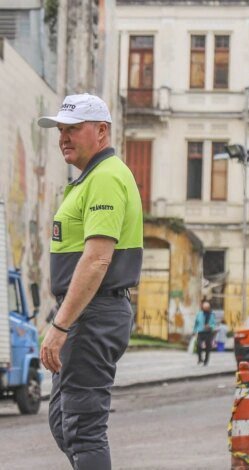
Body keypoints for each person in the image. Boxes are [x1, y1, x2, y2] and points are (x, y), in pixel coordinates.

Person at [38, 93, 143, 469]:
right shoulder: (90, 179)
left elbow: (98, 258)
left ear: (101, 131)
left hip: (93, 311)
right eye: (61, 130)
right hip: (86, 312)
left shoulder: (106, 178)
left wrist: (61, 324)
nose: (64, 137)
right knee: (63, 422)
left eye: (74, 129)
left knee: (83, 428)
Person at [193, 301, 217, 365]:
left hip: (209, 332)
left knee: (208, 347)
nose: (206, 308)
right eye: (204, 307)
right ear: (202, 308)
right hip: (200, 331)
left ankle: (206, 360)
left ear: (209, 308)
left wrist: (210, 326)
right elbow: (196, 323)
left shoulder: (212, 315)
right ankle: (200, 358)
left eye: (207, 307)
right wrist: (194, 331)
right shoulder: (199, 314)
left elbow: (214, 324)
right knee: (198, 345)